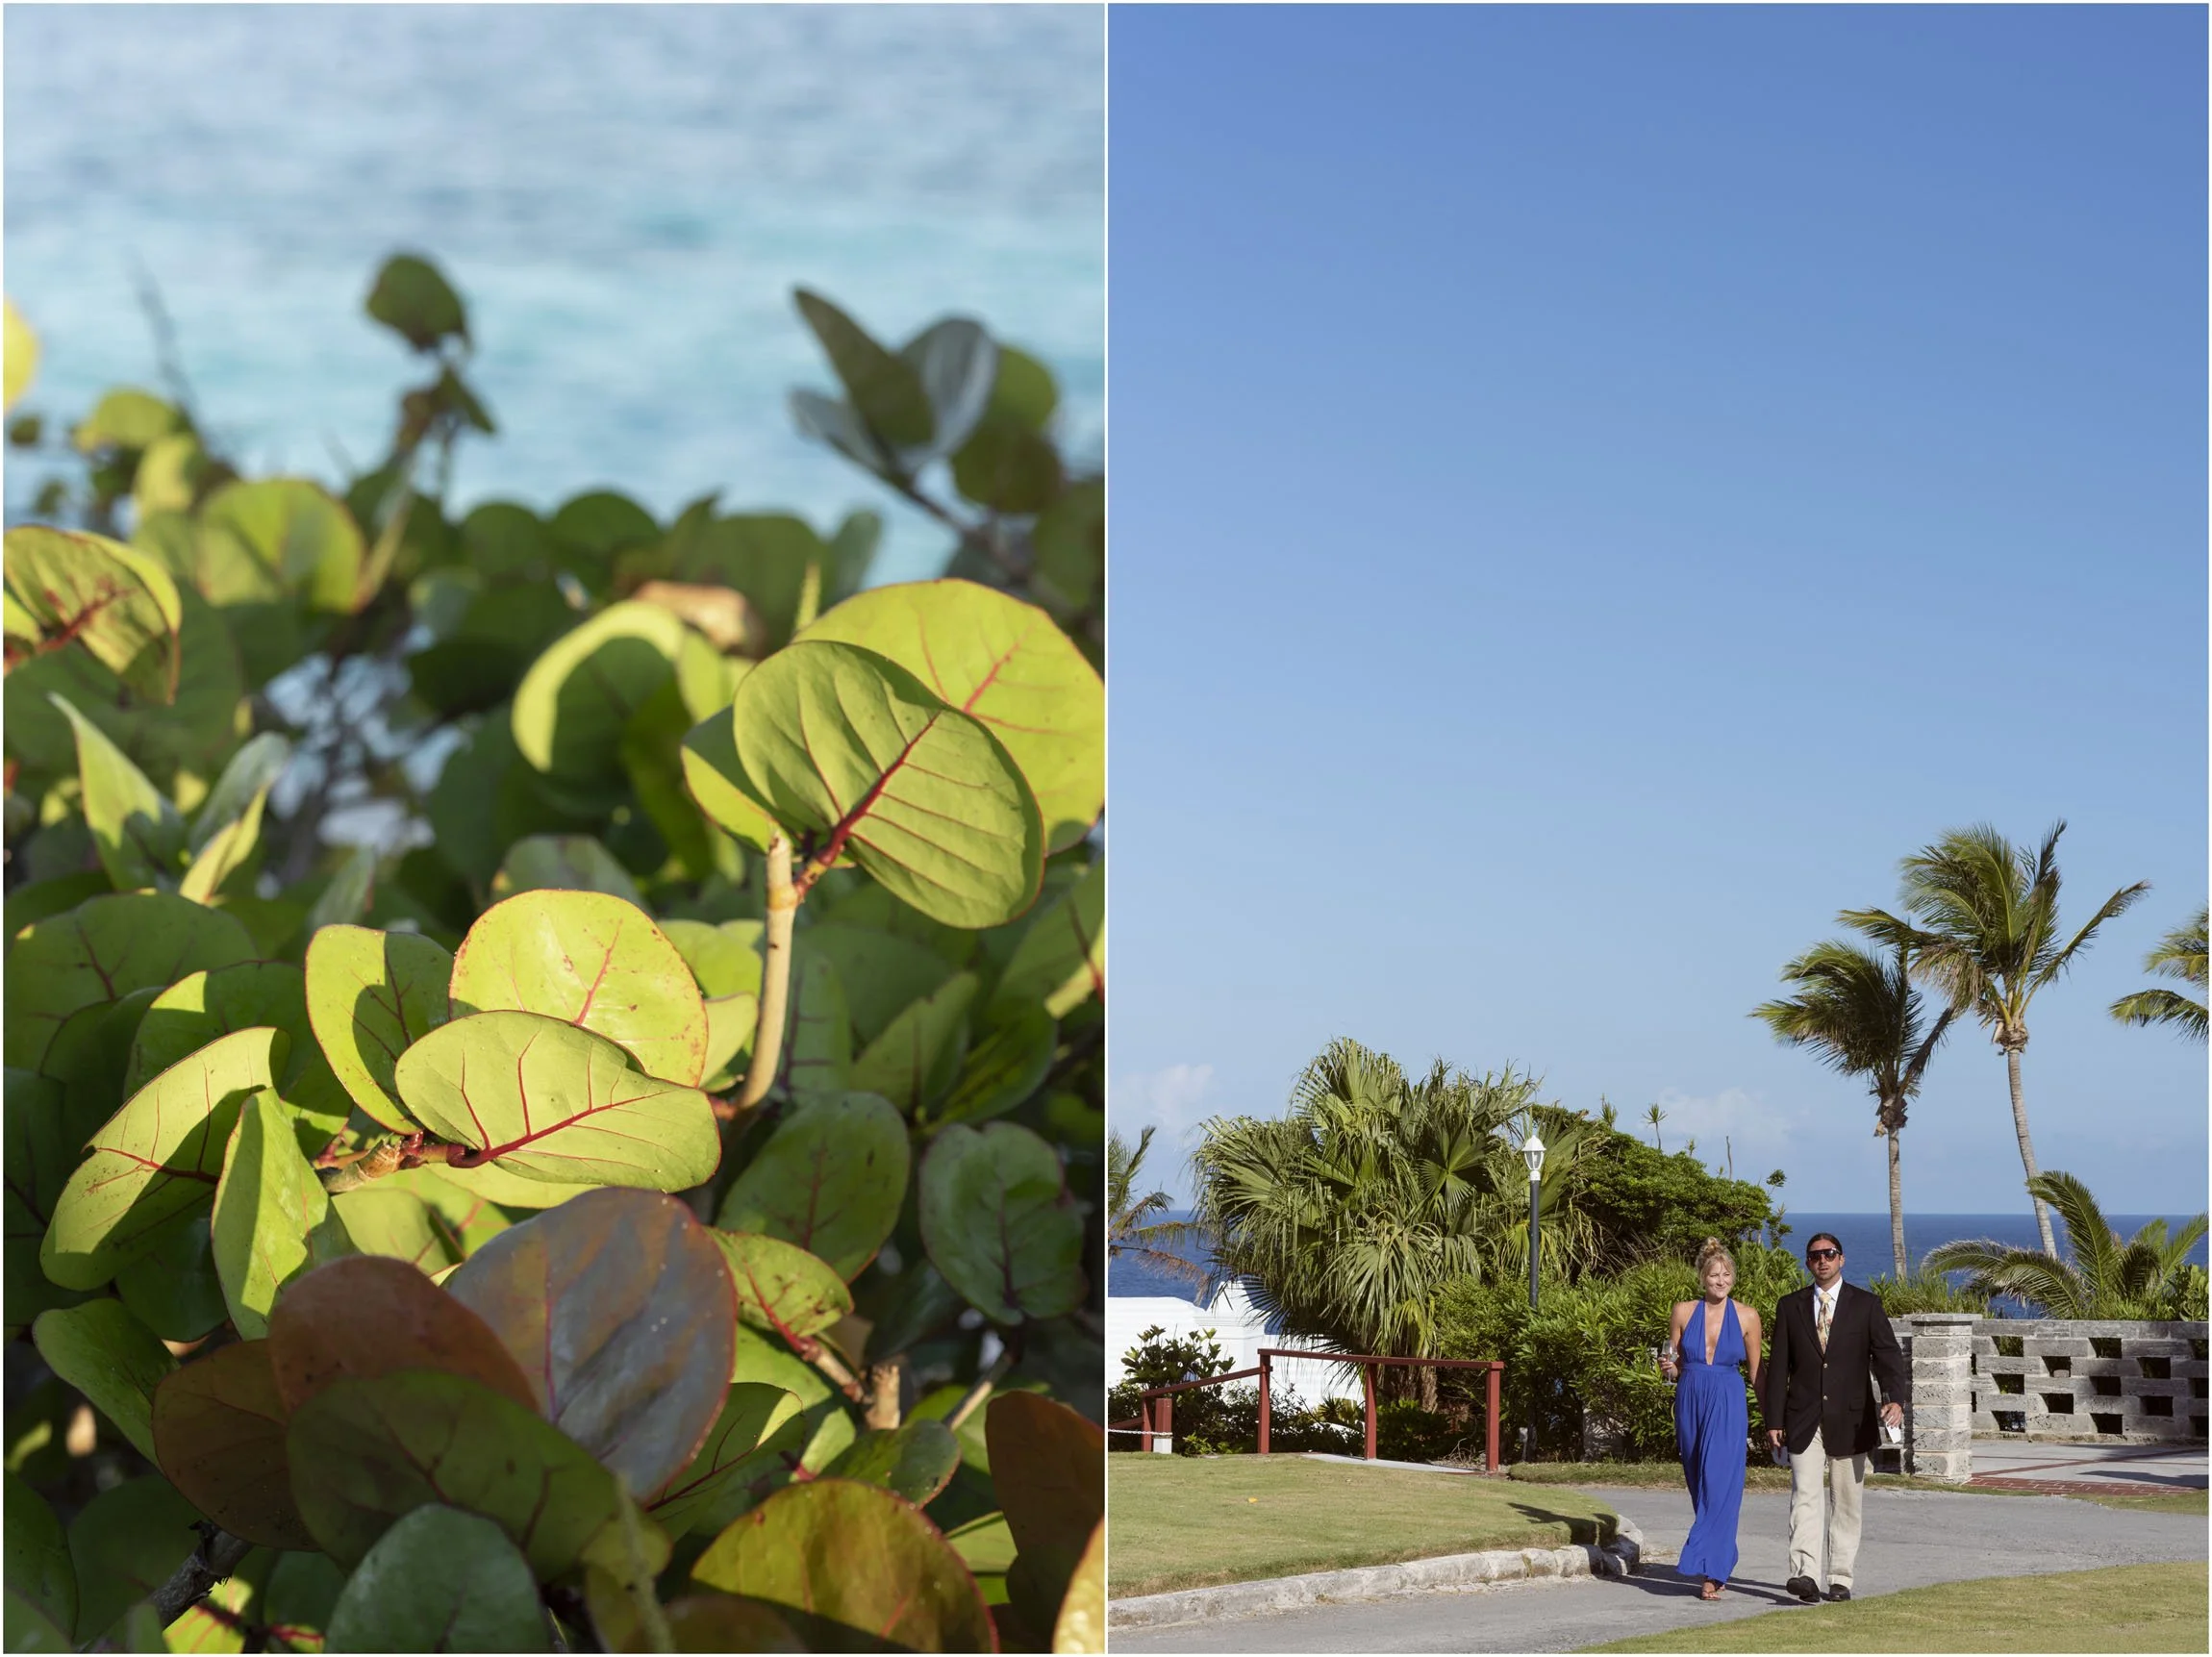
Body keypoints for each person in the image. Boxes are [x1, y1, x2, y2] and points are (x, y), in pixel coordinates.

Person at [1761, 1232, 1906, 1604]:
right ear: (1807, 1263)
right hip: (1803, 1418)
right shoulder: (1790, 1306)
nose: (1822, 1261)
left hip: (1852, 1421)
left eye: (1829, 1254)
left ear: (1841, 1259)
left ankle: (1840, 1577)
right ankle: (1804, 1574)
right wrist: (1773, 1421)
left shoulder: (1866, 1305)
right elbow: (1779, 1368)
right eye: (1814, 1256)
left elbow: (1888, 1357)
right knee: (1805, 1496)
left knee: (1846, 1500)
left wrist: (1896, 1401)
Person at [1658, 1238, 1762, 1601]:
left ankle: (1712, 1571)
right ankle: (1719, 1555)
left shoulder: (1748, 1316)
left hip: (1728, 1399)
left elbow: (1756, 1372)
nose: (1721, 1280)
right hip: (1690, 1397)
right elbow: (1673, 1364)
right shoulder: (1683, 1311)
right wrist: (1668, 1369)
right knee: (1699, 1482)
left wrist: (1775, 1417)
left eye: (1727, 1274)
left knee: (1721, 1483)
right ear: (1702, 1277)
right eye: (1714, 1274)